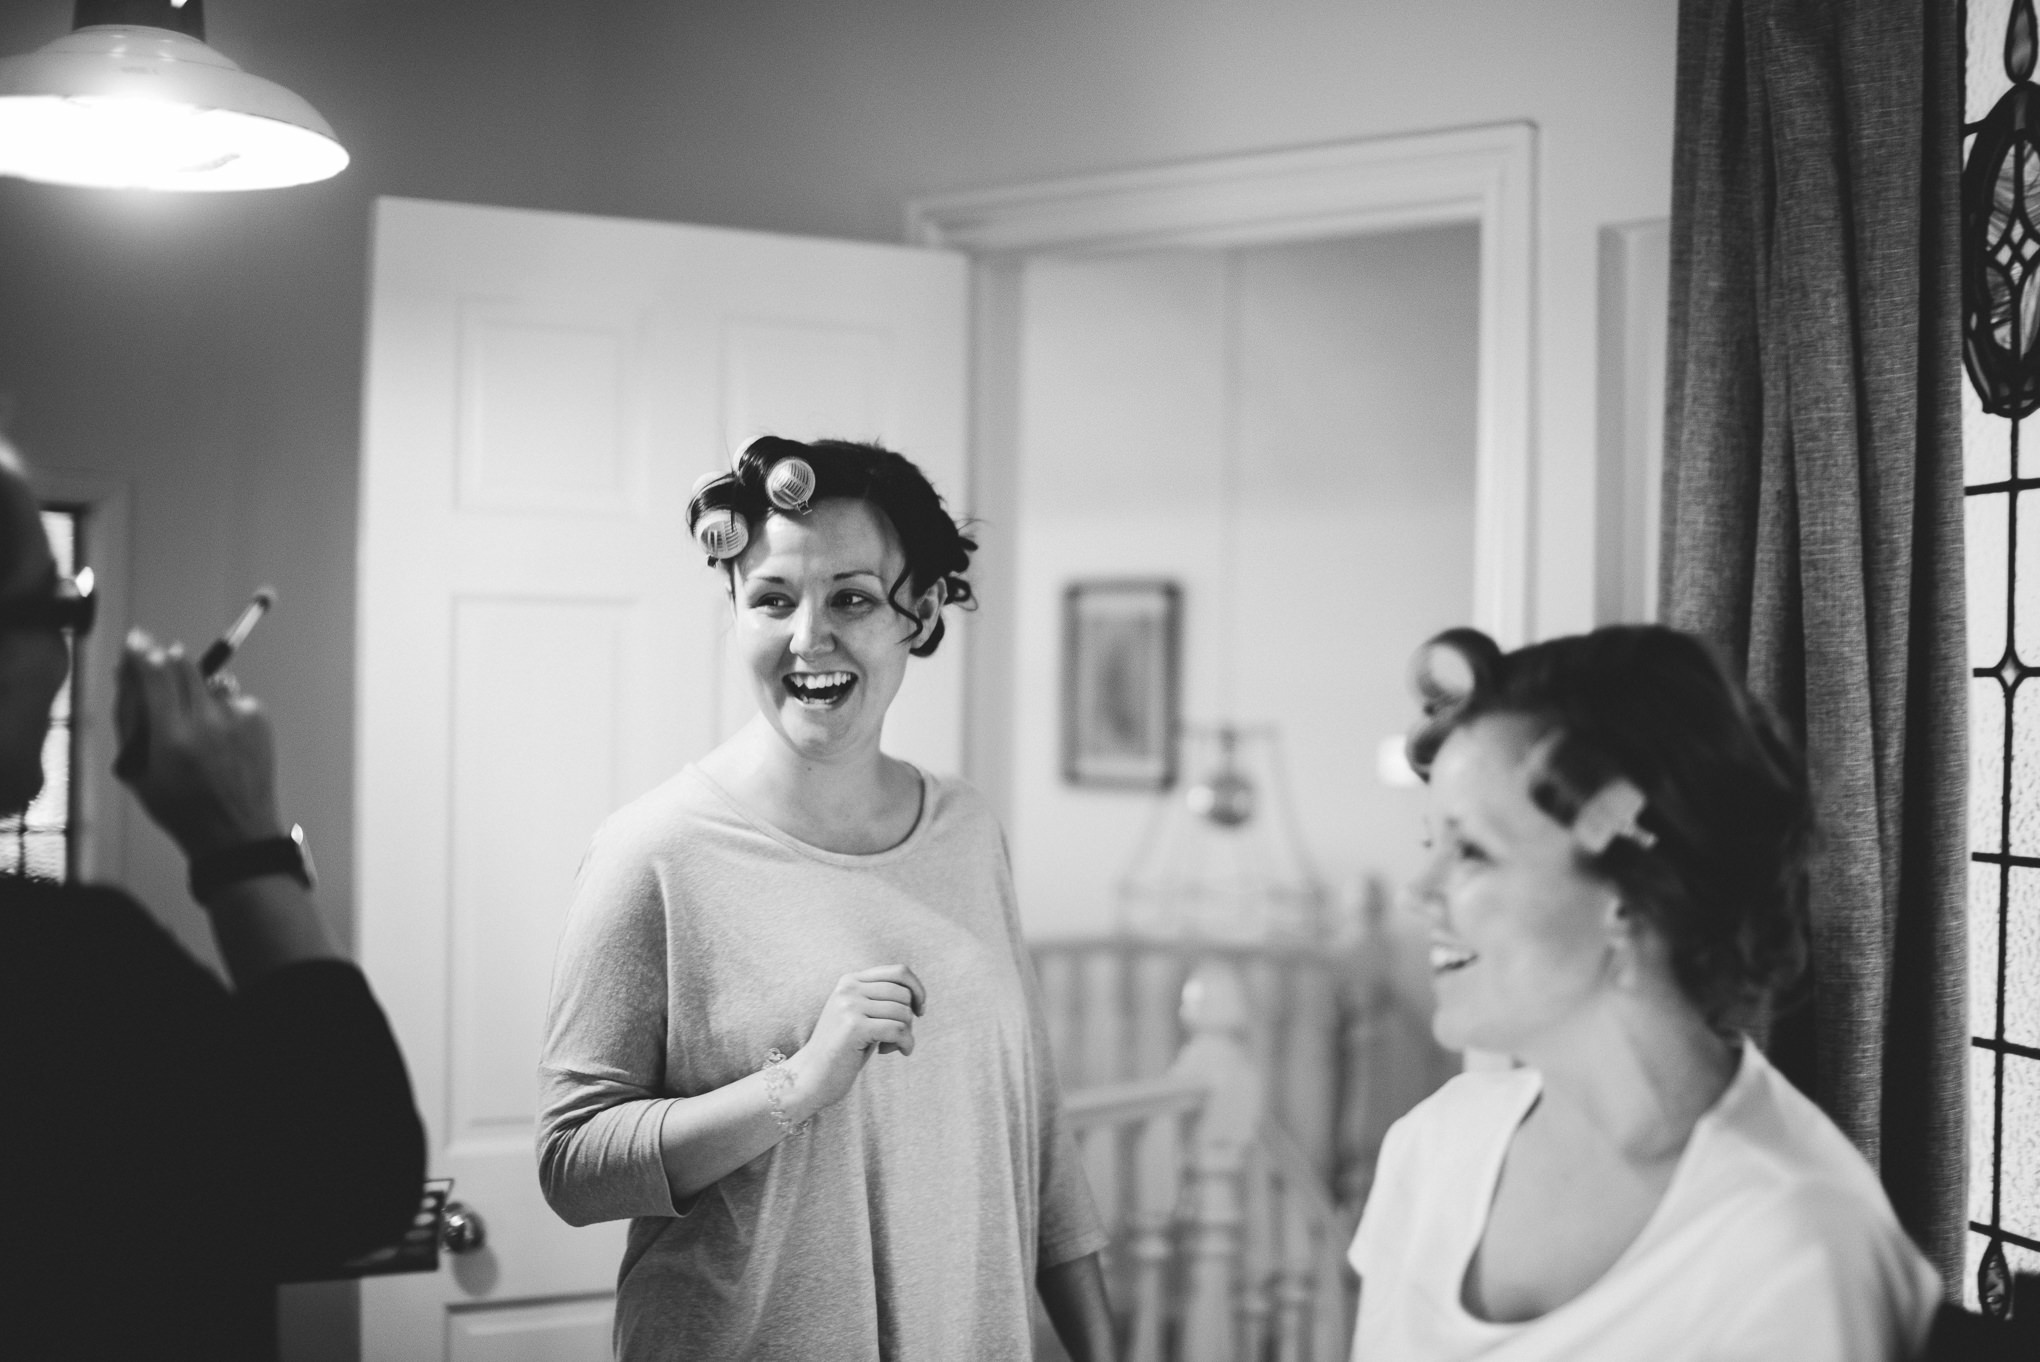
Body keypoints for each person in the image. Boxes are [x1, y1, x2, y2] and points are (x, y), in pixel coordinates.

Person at [538, 437, 1115, 1361]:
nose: (809, 637)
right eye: (772, 598)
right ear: (736, 610)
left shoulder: (966, 831)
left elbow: (1035, 1128)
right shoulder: (653, 853)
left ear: (917, 615)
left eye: (851, 597)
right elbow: (572, 1167)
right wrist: (796, 1084)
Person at [1348, 624, 1942, 1361]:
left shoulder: (1795, 1248)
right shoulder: (1434, 1148)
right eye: (1429, 844)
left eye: (1472, 850)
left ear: (1631, 896)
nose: (1419, 894)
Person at [0, 440, 425, 1360]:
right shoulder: (63, 970)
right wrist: (242, 843)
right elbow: (353, 1176)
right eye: (59, 607)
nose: (72, 650)